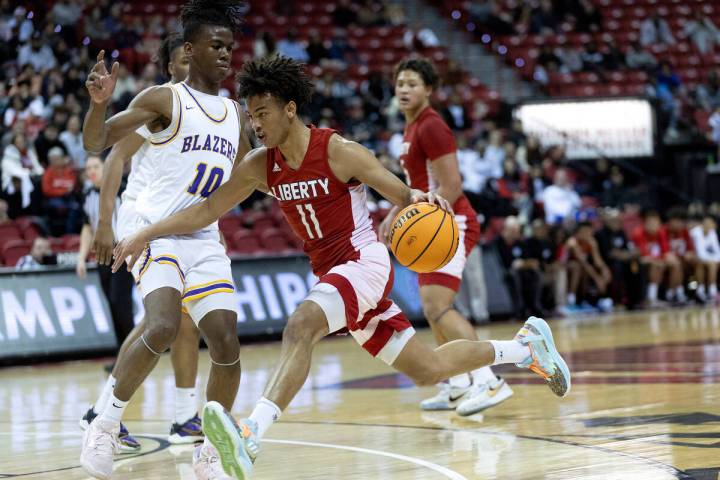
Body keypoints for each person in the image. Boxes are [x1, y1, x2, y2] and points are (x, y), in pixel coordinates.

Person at [114, 56, 571, 480]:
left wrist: (422, 200)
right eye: (250, 116)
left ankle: (251, 434)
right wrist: (146, 231)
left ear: (290, 109)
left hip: (363, 264)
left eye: (263, 113)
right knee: (429, 369)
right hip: (334, 275)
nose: (254, 124)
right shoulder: (260, 166)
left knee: (300, 326)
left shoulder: (337, 150)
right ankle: (526, 350)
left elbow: (401, 192)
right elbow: (206, 209)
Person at [78, 2, 252, 478]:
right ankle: (105, 422)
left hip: (203, 236)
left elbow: (247, 175)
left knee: (226, 340)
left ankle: (209, 449)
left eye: (229, 48)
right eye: (215, 46)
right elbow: (100, 145)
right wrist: (98, 106)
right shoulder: (164, 99)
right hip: (153, 230)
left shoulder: (236, 113)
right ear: (189, 50)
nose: (225, 55)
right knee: (161, 324)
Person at [78, 33, 207, 453]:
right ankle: (114, 413)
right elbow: (114, 157)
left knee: (176, 321)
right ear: (170, 68)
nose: (193, 66)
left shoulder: (216, 109)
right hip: (146, 218)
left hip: (182, 221)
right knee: (170, 321)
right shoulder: (164, 104)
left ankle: (181, 415)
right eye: (183, 60)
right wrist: (104, 222)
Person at [378, 57, 512, 416]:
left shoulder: (432, 126)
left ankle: (489, 380)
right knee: (432, 309)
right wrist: (396, 211)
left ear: (429, 90)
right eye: (400, 83)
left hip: (452, 220)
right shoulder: (411, 128)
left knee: (439, 307)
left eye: (412, 84)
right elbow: (420, 186)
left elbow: (451, 185)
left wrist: (421, 218)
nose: (404, 89)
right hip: (433, 219)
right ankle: (457, 385)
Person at [631, 209, 682, 306]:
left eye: (656, 222)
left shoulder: (660, 232)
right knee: (657, 265)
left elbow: (665, 251)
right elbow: (643, 255)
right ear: (645, 223)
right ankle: (652, 298)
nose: (654, 225)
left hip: (656, 259)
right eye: (651, 222)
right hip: (638, 261)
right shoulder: (638, 233)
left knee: (675, 263)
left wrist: (669, 258)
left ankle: (672, 295)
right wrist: (660, 260)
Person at [565, 222, 613, 312]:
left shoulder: (591, 242)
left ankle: (598, 300)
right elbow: (583, 262)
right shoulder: (572, 242)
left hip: (583, 269)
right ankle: (571, 300)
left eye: (589, 231)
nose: (587, 234)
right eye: (584, 232)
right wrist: (597, 279)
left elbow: (598, 262)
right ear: (578, 233)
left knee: (604, 272)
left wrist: (605, 270)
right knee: (579, 268)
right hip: (567, 269)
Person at [689, 214, 720, 303]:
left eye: (710, 223)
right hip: (692, 259)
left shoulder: (712, 232)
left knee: (712, 264)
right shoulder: (695, 233)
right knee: (705, 264)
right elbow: (700, 253)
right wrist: (713, 260)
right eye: (705, 223)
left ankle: (709, 292)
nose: (707, 225)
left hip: (706, 260)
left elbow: (717, 252)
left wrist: (713, 260)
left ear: (714, 225)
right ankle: (706, 291)